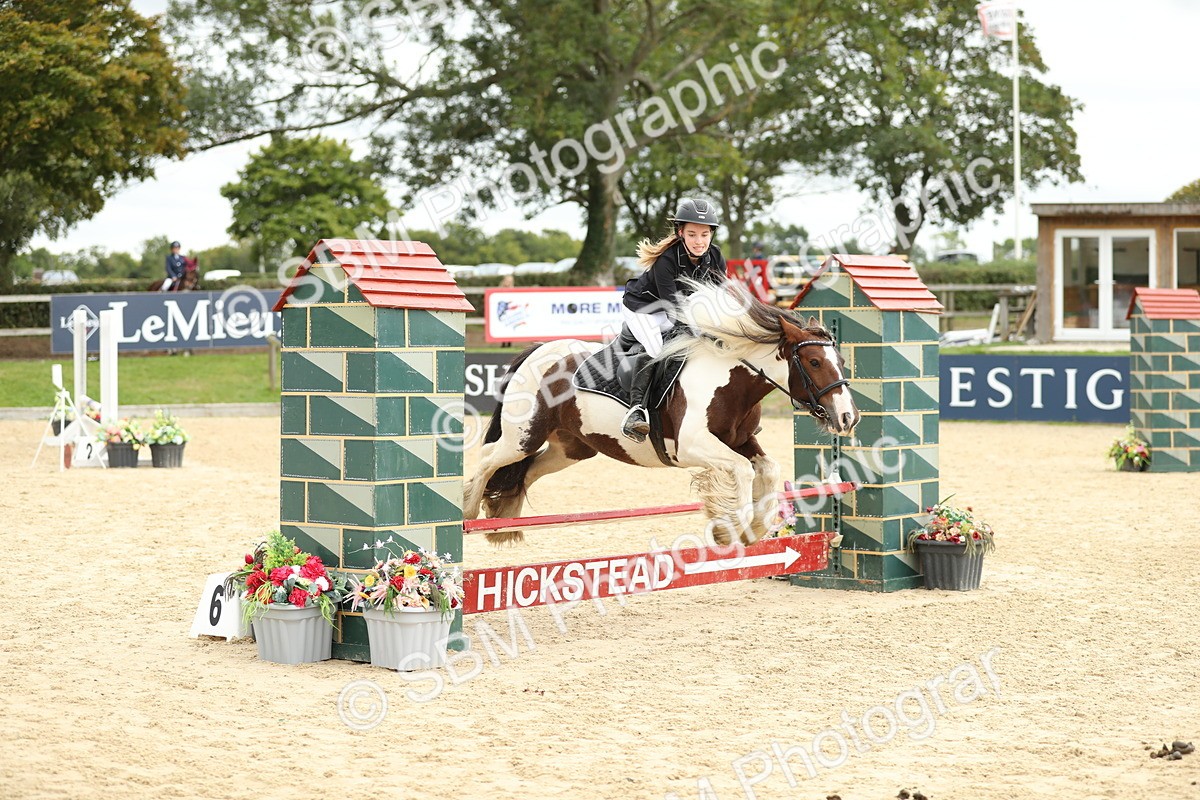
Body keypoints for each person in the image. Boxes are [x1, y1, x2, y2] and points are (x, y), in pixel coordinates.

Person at [619, 198, 727, 441]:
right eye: (692, 234)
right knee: (658, 349)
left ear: (711, 234)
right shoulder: (667, 260)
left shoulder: (716, 256)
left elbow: (719, 299)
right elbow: (673, 309)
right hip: (643, 309)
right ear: (681, 233)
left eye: (704, 234)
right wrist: (703, 333)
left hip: (678, 308)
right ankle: (636, 411)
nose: (699, 241)